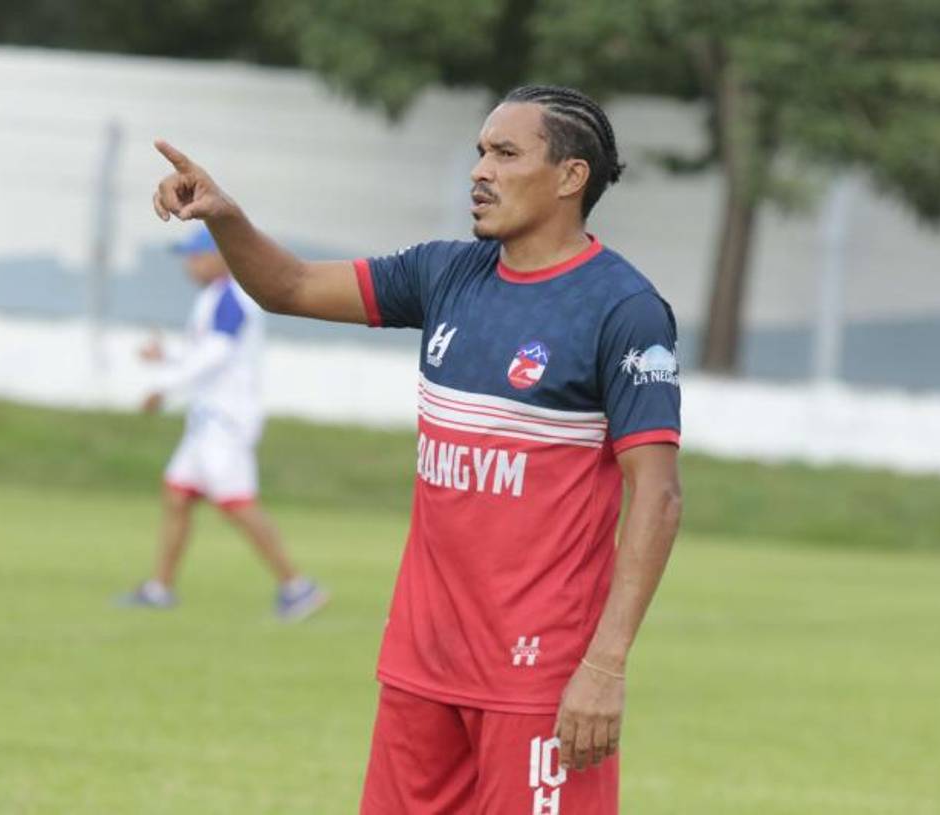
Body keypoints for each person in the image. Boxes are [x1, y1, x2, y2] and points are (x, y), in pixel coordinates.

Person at [152, 85, 682, 813]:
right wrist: (227, 217)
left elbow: (657, 492)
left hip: (537, 677)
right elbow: (292, 284)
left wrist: (606, 663)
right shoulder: (446, 275)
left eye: (505, 153)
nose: (479, 171)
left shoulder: (622, 310)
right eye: (478, 154)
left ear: (570, 177)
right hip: (421, 665)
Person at [120, 226, 328, 622]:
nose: (189, 264)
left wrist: (163, 386)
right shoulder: (214, 299)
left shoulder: (233, 297)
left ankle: (298, 587)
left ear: (221, 256)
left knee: (237, 504)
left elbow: (215, 355)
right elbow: (204, 352)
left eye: (196, 256)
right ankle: (160, 588)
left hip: (226, 422)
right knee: (177, 495)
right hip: (206, 422)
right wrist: (166, 356)